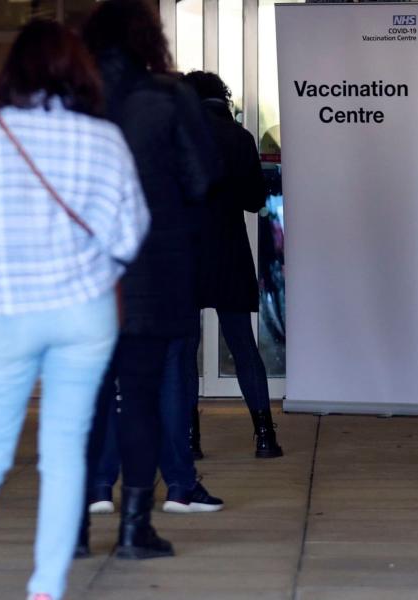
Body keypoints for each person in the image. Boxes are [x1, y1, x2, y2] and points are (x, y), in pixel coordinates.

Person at [0, 20, 150, 600]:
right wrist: (93, 271)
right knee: (64, 451)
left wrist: (3, 249)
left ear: (13, 71)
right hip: (85, 314)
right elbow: (130, 232)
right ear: (80, 72)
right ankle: (45, 588)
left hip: (8, 310)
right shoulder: (104, 139)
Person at [76, 0, 224, 561]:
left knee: (85, 401)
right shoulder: (168, 97)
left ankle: (74, 525)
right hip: (155, 271)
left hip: (82, 275)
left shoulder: (73, 101)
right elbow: (200, 178)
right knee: (140, 396)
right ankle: (136, 529)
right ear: (147, 41)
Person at [183, 70, 284, 459]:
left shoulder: (181, 136)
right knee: (243, 345)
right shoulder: (240, 138)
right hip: (228, 251)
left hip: (187, 254)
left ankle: (190, 441)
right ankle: (264, 437)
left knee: (185, 350)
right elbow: (254, 199)